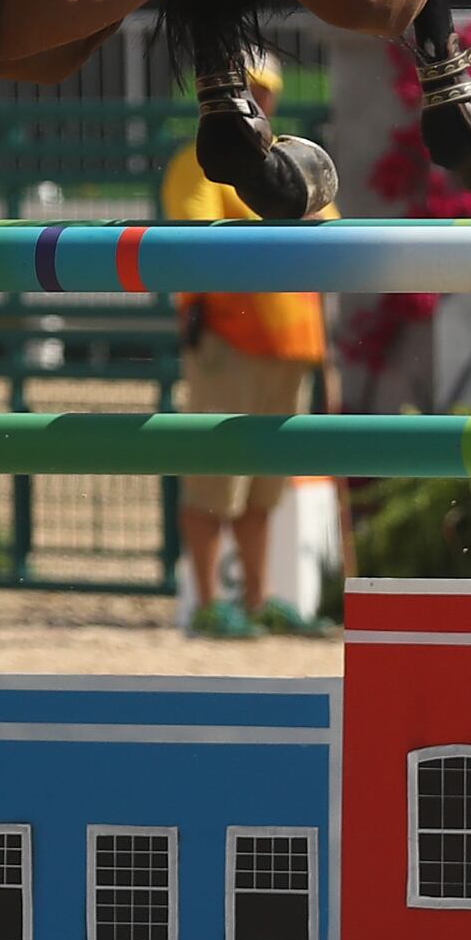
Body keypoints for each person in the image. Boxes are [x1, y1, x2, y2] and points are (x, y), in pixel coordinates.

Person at [164, 73, 335, 638]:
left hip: (289, 344)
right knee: (215, 476)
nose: (257, 100)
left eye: (265, 91)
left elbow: (329, 228)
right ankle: (211, 601)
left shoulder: (287, 158)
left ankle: (258, 600)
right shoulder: (201, 160)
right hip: (229, 340)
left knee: (265, 485)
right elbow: (195, 233)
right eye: (250, 90)